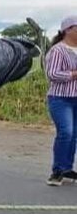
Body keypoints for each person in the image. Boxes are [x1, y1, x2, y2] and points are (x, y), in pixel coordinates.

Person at [43, 16, 77, 186]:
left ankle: (67, 168)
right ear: (68, 30)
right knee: (66, 132)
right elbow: (53, 74)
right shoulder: (58, 50)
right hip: (61, 98)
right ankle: (57, 170)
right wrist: (74, 74)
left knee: (74, 135)